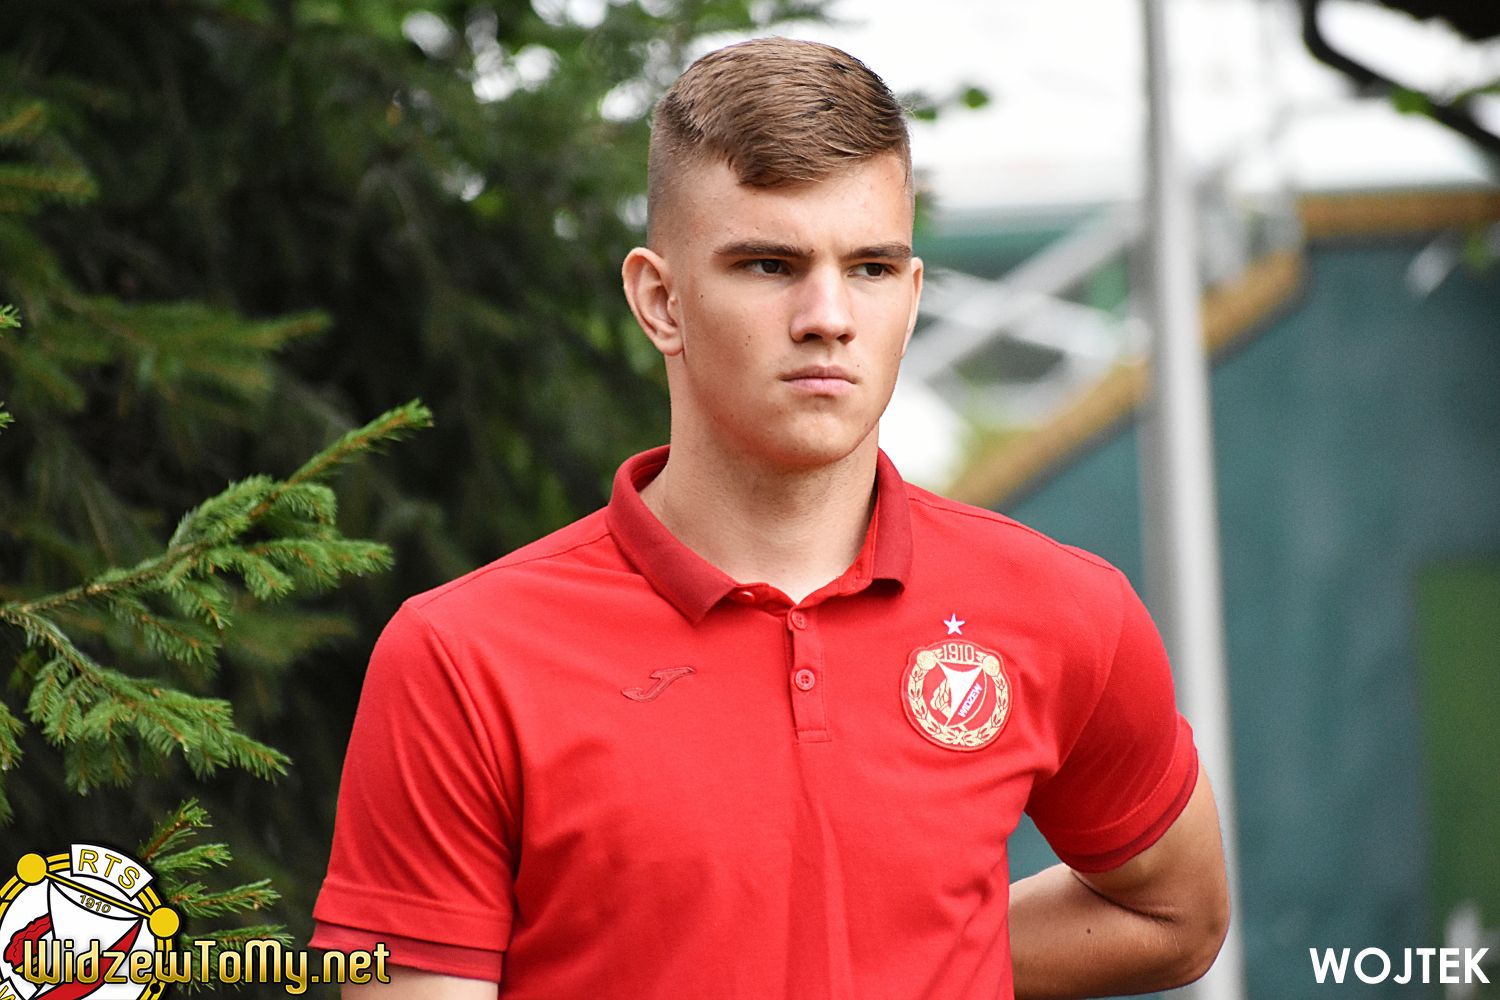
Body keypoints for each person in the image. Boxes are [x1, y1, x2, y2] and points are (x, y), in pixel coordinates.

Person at [311, 36, 1230, 1000]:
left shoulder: (1061, 610)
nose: (828, 315)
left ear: (912, 296)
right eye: (768, 264)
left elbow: (1174, 917)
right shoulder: (463, 658)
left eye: (871, 268)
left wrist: (912, 959)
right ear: (660, 301)